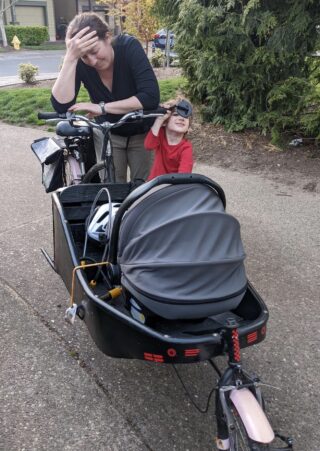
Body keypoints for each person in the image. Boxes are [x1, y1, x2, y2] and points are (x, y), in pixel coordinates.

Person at [51, 12, 160, 182]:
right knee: (112, 187)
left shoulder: (128, 47)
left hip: (142, 132)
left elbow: (150, 97)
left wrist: (102, 108)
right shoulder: (79, 61)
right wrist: (71, 58)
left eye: (94, 51)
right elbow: (61, 105)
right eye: (84, 55)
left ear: (108, 37)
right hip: (108, 134)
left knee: (144, 189)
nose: (92, 61)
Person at [144, 98, 193, 180]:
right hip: (155, 185)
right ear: (165, 122)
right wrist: (160, 119)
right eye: (175, 114)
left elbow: (184, 176)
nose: (181, 119)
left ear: (188, 127)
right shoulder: (160, 135)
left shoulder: (186, 148)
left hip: (172, 188)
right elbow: (148, 146)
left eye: (186, 116)